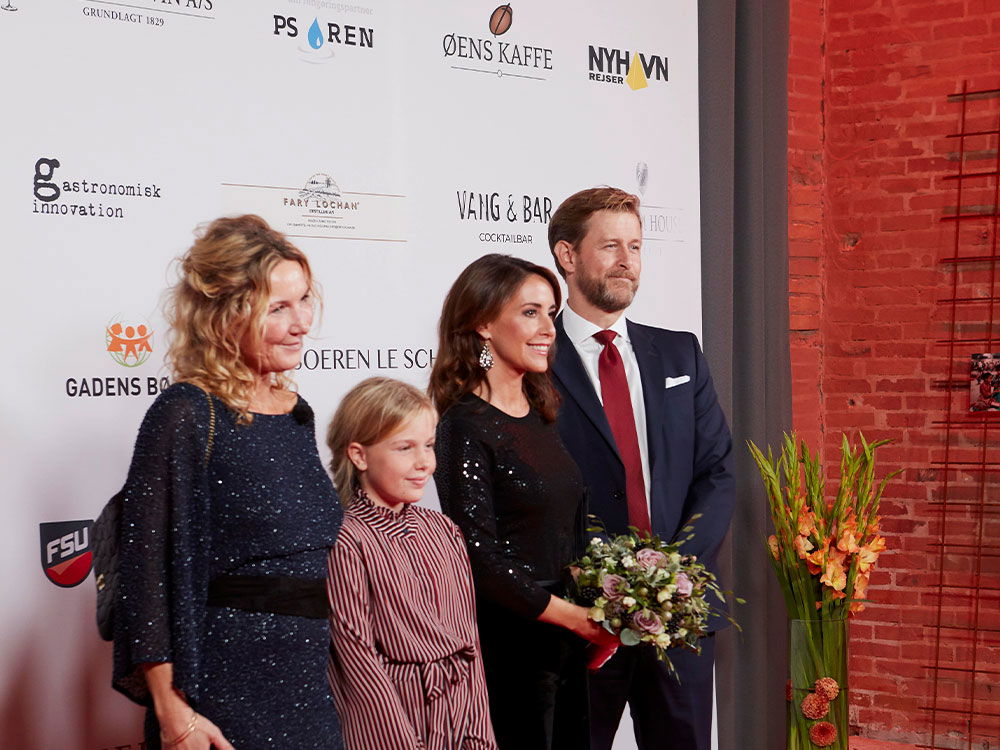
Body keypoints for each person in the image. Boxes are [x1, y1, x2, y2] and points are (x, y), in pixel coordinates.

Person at [112, 215, 344, 749]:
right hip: (223, 688)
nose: (301, 323)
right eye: (277, 308)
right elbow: (145, 580)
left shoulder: (296, 412)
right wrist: (175, 716)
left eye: (304, 301)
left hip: (310, 687)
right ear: (224, 315)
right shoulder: (187, 413)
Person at [547, 187, 735, 750]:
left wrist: (675, 575)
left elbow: (717, 472)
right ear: (567, 255)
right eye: (609, 246)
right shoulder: (533, 357)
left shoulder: (680, 353)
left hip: (680, 615)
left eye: (634, 246)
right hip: (580, 617)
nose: (626, 260)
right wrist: (597, 582)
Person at [429, 254, 619, 750]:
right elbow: (479, 557)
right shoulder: (464, 424)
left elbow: (564, 530)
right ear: (483, 322)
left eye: (551, 313)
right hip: (513, 645)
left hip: (565, 641)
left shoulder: (541, 413)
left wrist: (600, 605)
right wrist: (574, 618)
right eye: (530, 312)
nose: (548, 329)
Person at [324, 377, 497, 750]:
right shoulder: (346, 539)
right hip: (391, 721)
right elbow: (356, 659)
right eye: (405, 448)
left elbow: (469, 642)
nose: (424, 463)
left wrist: (481, 737)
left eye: (429, 446)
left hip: (459, 717)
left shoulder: (444, 531)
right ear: (359, 455)